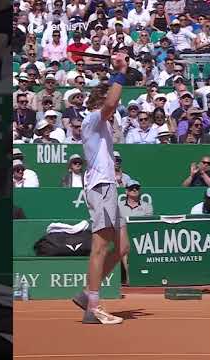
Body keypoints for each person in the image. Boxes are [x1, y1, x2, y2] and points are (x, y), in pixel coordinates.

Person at [71, 53, 129, 325]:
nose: (117, 107)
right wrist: (121, 71)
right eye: (112, 101)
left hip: (109, 187)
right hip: (101, 186)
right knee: (100, 247)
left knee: (122, 247)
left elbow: (112, 103)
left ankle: (86, 293)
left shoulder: (102, 123)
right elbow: (111, 102)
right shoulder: (93, 118)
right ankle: (93, 306)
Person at [118, 179, 154, 285]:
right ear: (126, 191)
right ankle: (129, 276)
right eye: (131, 188)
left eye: (137, 188)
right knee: (124, 246)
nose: (134, 190)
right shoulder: (118, 206)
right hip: (124, 236)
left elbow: (148, 225)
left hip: (142, 238)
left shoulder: (147, 206)